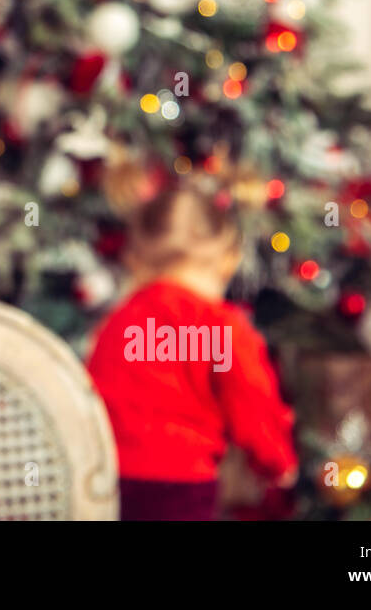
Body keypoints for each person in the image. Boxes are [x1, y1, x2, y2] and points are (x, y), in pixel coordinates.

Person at [85, 169, 298, 519]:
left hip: (114, 477)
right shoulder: (221, 326)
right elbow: (252, 401)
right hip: (184, 481)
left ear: (138, 260)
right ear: (228, 261)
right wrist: (278, 463)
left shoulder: (120, 321)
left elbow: (93, 394)